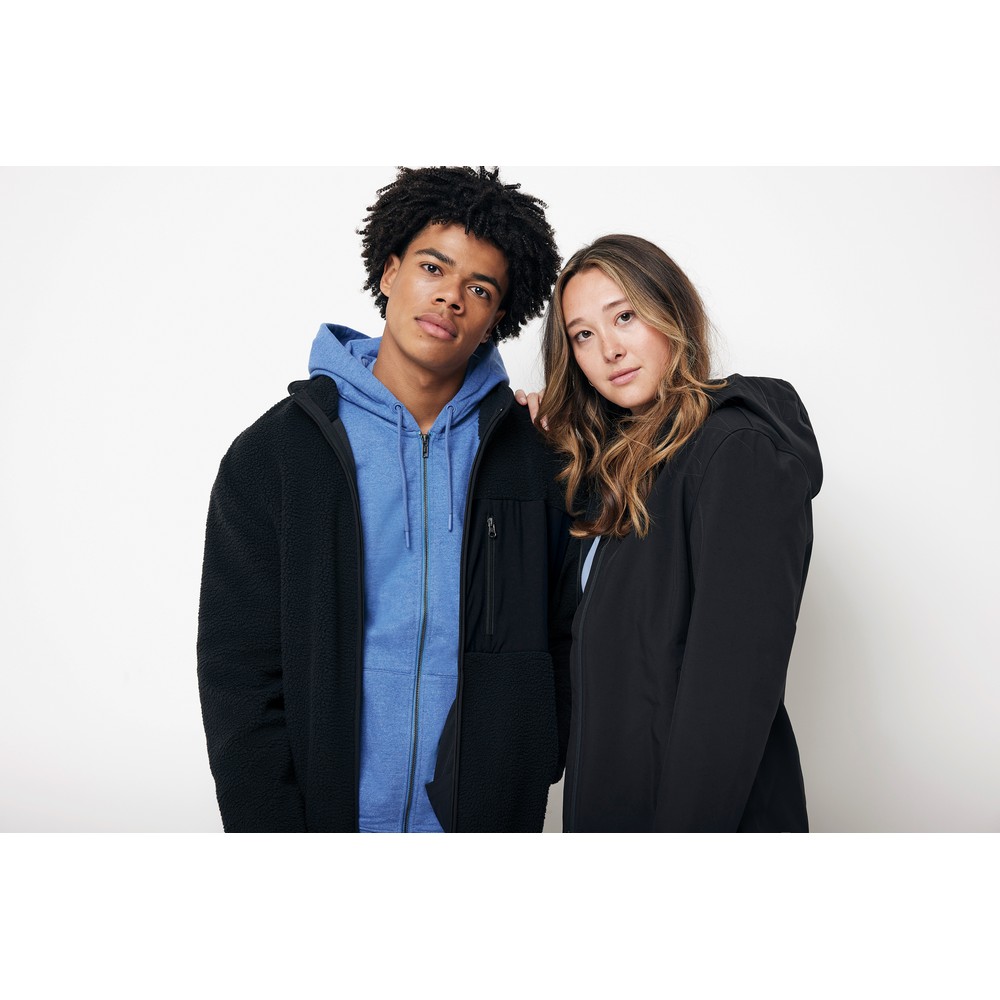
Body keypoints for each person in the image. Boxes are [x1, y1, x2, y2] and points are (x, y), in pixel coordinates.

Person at [197, 167, 573, 832]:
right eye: (433, 267)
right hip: (320, 824)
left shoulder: (533, 459)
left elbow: (567, 633)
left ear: (496, 318)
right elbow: (237, 668)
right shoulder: (275, 455)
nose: (450, 297)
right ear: (391, 271)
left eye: (479, 288)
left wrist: (526, 763)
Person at [524, 233, 822, 832]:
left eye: (624, 317)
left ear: (673, 312)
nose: (609, 350)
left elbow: (732, 692)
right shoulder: (621, 475)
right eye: (583, 335)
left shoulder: (736, 452)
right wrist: (539, 456)